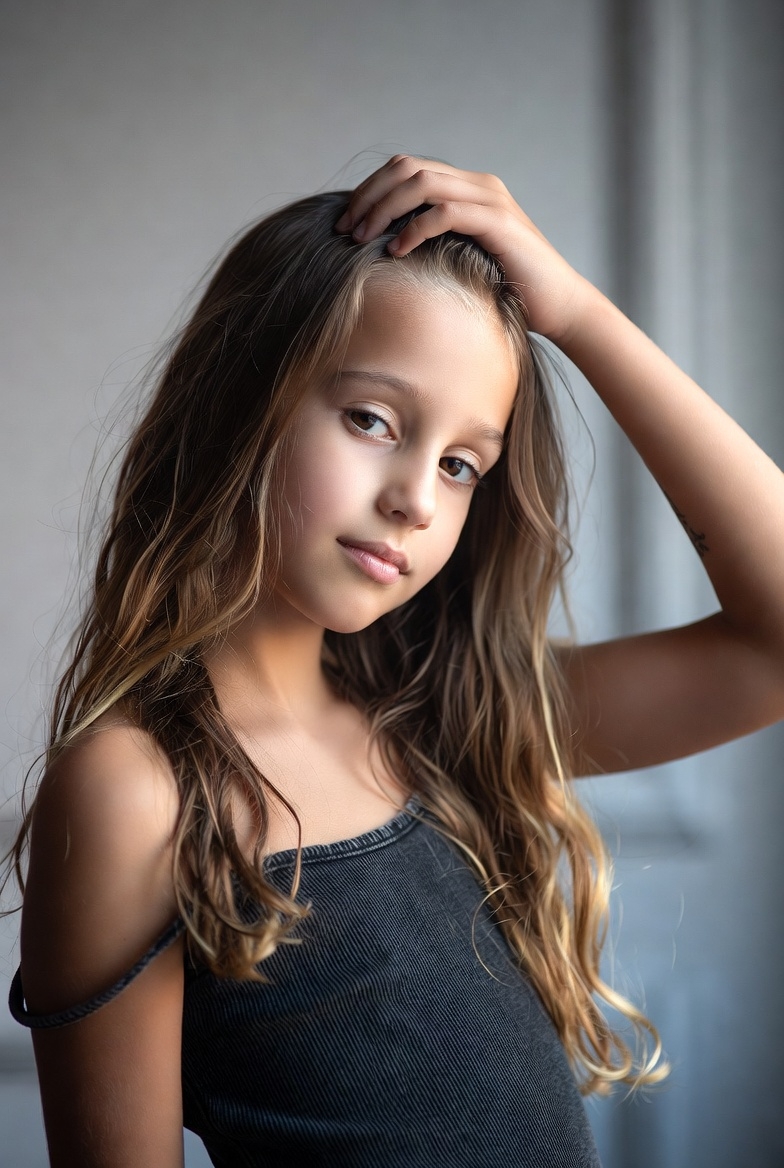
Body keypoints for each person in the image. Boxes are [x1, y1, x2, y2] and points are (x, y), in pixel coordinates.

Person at [5, 154, 784, 1167]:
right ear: (241, 400)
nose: (417, 496)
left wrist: (580, 314)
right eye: (372, 419)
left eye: (462, 463)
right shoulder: (140, 790)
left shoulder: (441, 717)